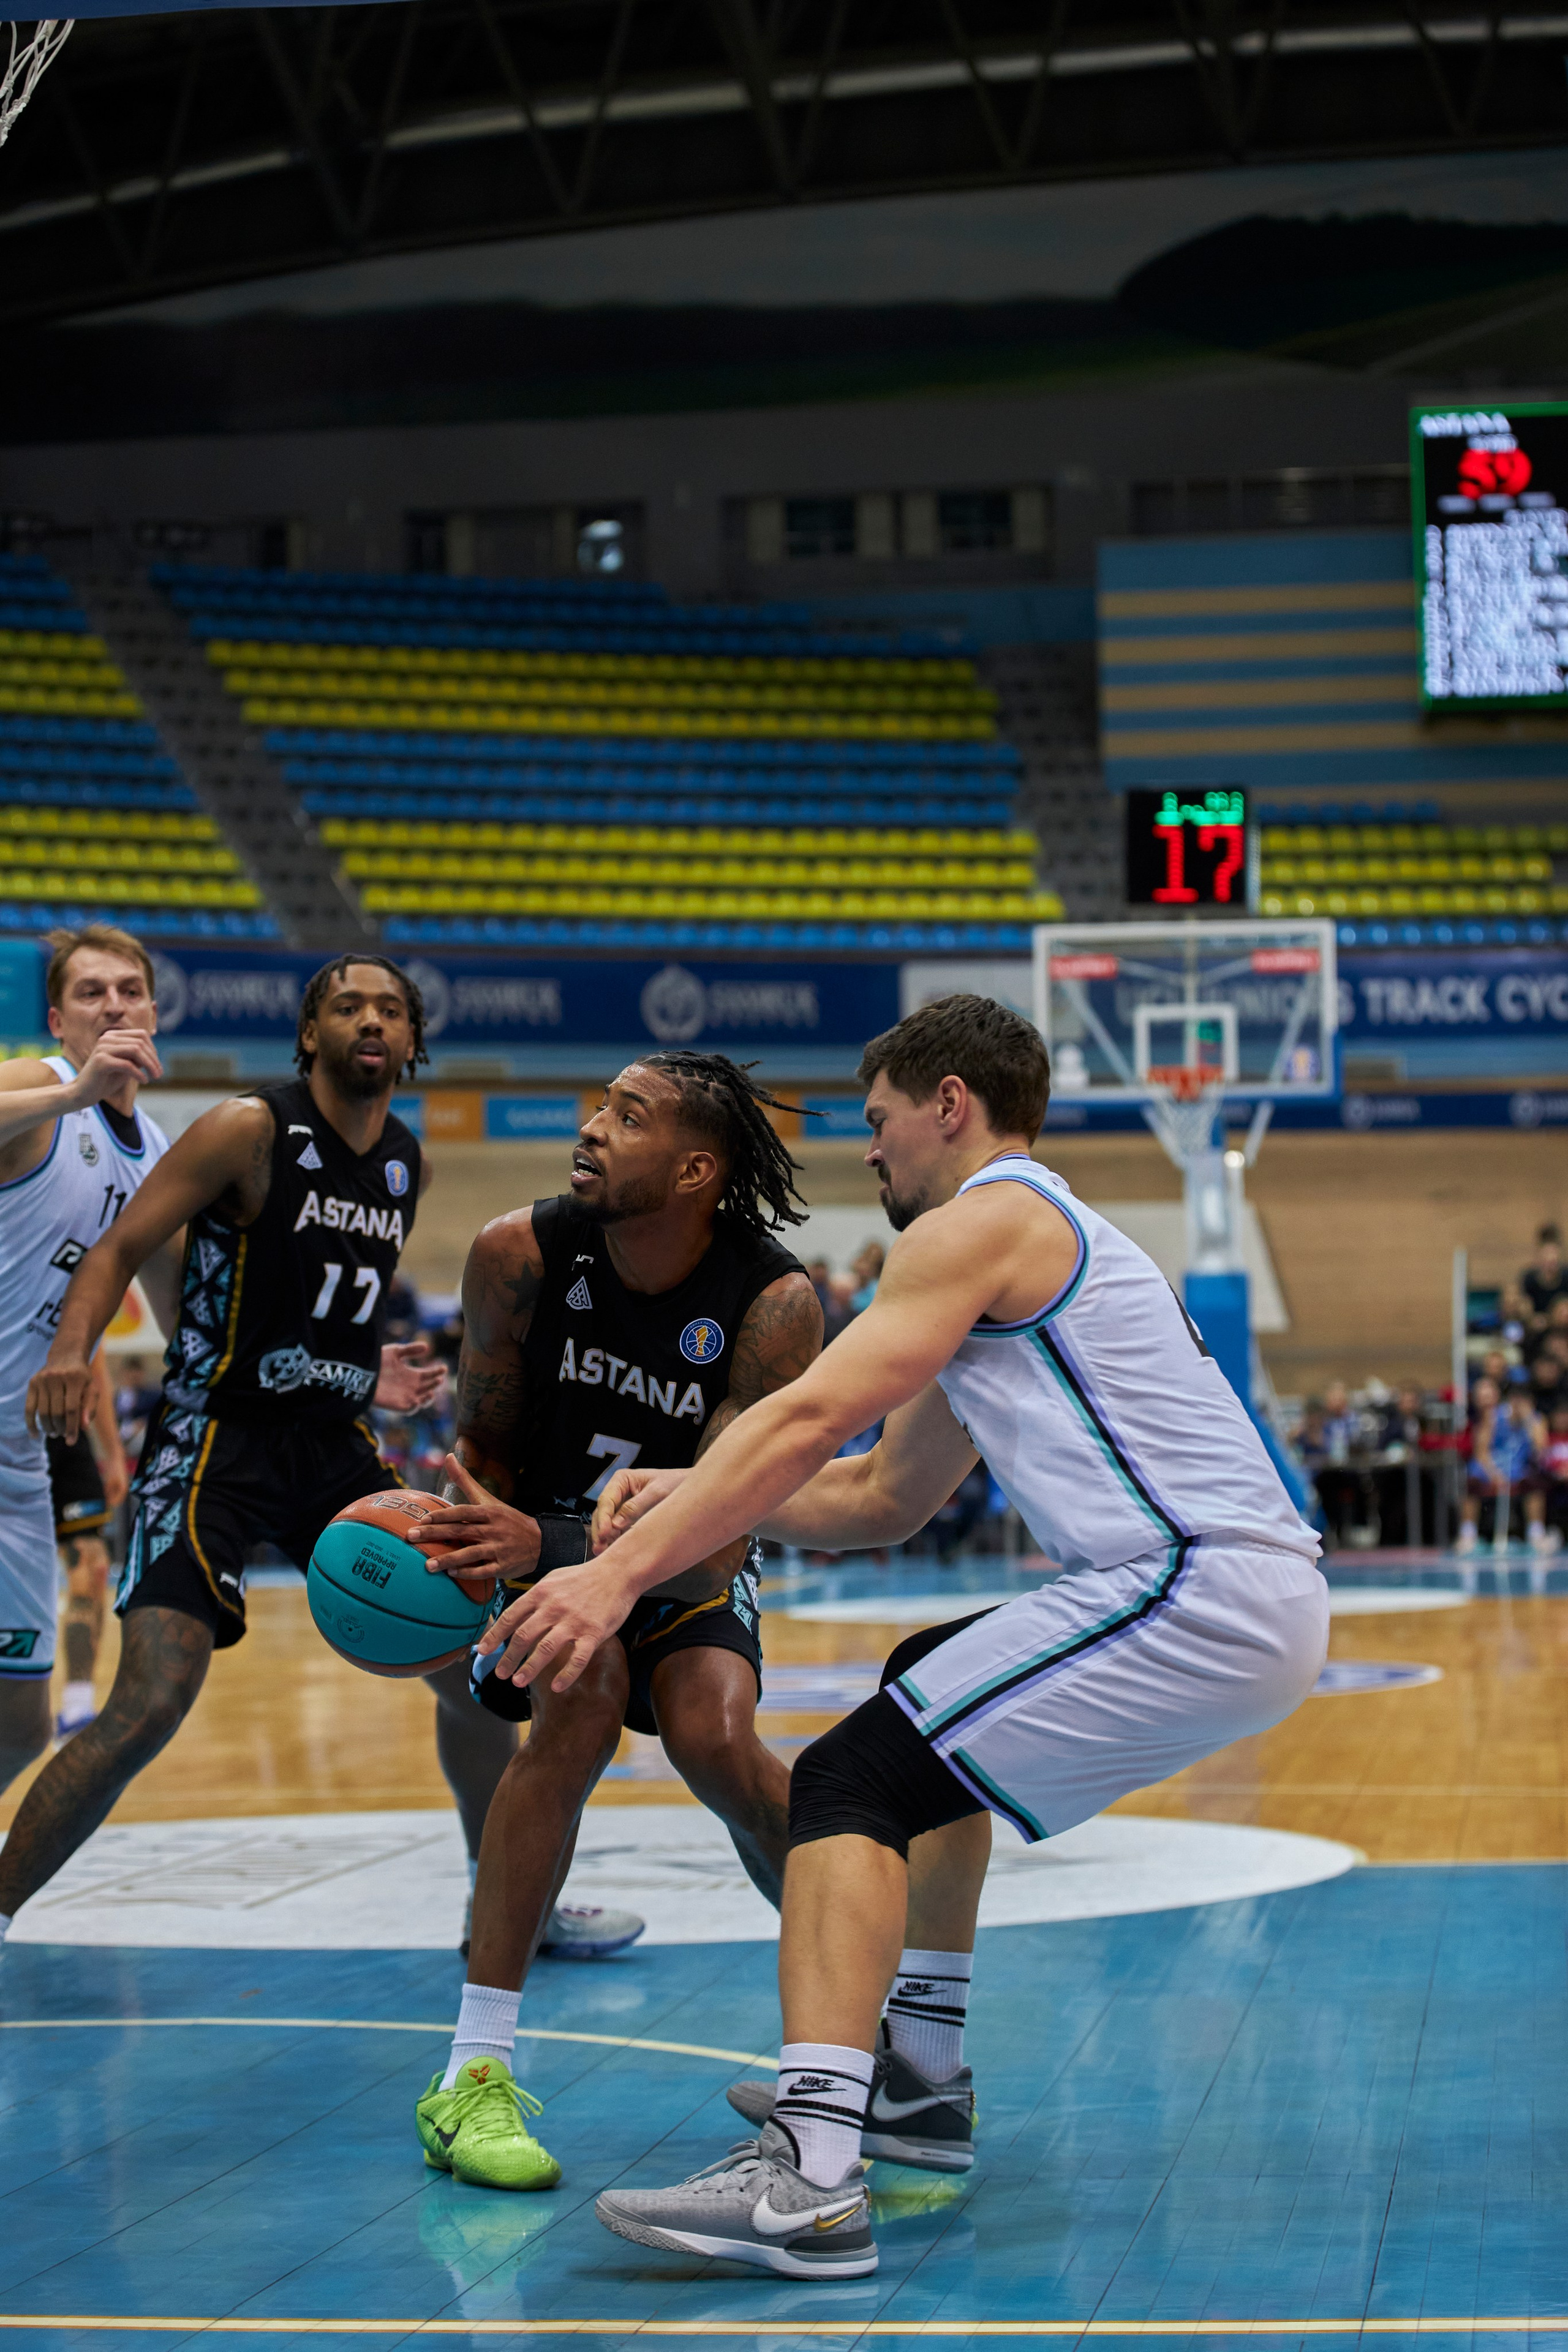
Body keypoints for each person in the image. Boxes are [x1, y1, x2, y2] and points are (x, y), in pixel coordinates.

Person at [472, 993, 1329, 2281]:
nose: (865, 1153)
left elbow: (810, 1415)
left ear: (949, 1106)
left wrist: (610, 1575)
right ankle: (919, 2078)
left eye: (877, 1123)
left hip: (1193, 1589)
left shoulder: (990, 1217)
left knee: (842, 1780)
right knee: (923, 1683)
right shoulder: (1015, 1251)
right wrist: (680, 1485)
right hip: (1220, 1597)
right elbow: (878, 1496)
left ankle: (812, 2170)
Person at [404, 1051, 824, 2192]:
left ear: (695, 1169)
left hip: (684, 1555)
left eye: (625, 1116)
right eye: (598, 1105)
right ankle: (471, 2079)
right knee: (577, 1713)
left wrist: (566, 1552)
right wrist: (458, 1538)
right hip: (538, 1550)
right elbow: (481, 1444)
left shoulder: (774, 1304)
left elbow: (731, 1526)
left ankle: (856, 2047)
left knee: (715, 1738)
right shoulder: (518, 1254)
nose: (591, 1127)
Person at [0, 954, 453, 1945]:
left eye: (390, 1010)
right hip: (215, 1445)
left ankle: (514, 1899)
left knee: (467, 1661)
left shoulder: (405, 1162)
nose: (370, 1021)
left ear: (413, 1041)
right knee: (150, 1702)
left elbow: (318, 1305)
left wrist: (365, 1373)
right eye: (347, 1007)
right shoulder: (248, 1128)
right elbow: (121, 1253)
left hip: (334, 1448)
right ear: (309, 1035)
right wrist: (73, 1350)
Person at [0, 925, 172, 1798]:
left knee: (21, 1725)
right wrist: (75, 1098)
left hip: (19, 1463)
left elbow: (201, 1316)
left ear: (154, 1010)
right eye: (92, 992)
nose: (113, 1005)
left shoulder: (161, 1154)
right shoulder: (40, 1083)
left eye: (129, 990)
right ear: (58, 1019)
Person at [49, 1346, 131, 1738]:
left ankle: (77, 1706)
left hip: (66, 1439)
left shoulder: (78, 1287)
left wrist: (113, 1452)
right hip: (9, 1438)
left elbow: (95, 1365)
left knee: (92, 1567)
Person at [1522, 1224, 1567, 1338]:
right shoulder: (1530, 1280)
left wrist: (1551, 1320)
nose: (1551, 1263)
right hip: (1538, 1331)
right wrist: (1531, 1319)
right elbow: (1525, 1308)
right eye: (1547, 1257)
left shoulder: (1566, 1277)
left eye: (1554, 1258)